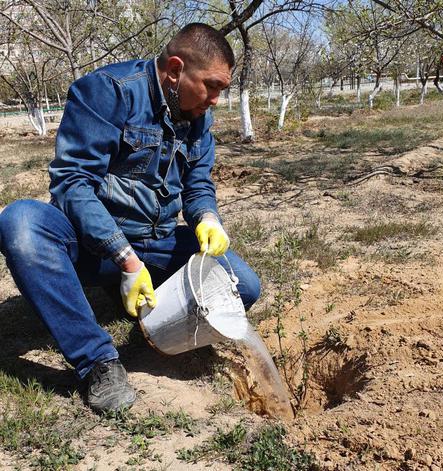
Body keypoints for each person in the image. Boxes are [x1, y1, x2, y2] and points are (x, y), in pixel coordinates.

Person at [0, 23, 260, 413]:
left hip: (156, 241)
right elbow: (72, 183)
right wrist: (125, 258)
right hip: (92, 244)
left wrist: (207, 217)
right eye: (213, 86)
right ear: (175, 69)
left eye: (223, 89)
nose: (218, 100)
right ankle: (97, 362)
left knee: (246, 287)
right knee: (20, 223)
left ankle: (152, 319)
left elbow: (198, 183)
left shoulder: (196, 113)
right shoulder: (107, 92)